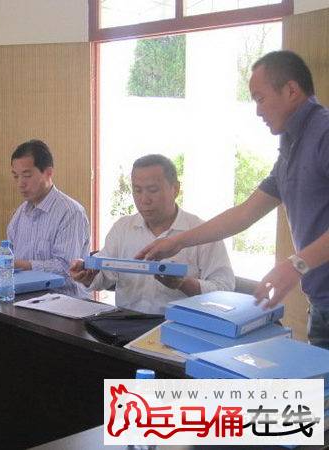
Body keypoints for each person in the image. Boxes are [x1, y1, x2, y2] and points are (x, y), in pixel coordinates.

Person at [137, 51, 329, 348]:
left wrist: (296, 265)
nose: (258, 111)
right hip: (321, 303)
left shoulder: (324, 133)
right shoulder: (291, 146)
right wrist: (177, 242)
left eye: (260, 99)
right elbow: (245, 213)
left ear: (291, 90)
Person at [70, 154, 234, 314]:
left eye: (153, 190)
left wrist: (183, 283)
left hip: (177, 324)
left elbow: (224, 290)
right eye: (137, 190)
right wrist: (88, 276)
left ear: (175, 189)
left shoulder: (201, 233)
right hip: (124, 322)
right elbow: (105, 274)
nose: (144, 200)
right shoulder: (123, 228)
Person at [0, 139, 90, 297]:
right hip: (26, 296)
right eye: (16, 176)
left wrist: (11, 264)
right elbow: (13, 252)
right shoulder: (21, 213)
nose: (20, 184)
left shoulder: (70, 213)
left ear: (48, 173)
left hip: (63, 300)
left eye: (27, 175)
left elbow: (66, 268)